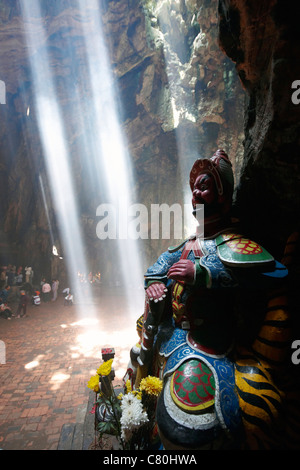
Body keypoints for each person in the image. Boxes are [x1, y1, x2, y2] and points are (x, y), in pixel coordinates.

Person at [131, 149, 291, 450]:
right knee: (138, 350)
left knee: (185, 423)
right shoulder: (186, 245)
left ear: (221, 195)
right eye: (193, 188)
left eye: (203, 185)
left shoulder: (231, 243)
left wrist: (204, 273)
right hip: (173, 335)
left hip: (210, 342)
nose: (196, 192)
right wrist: (153, 286)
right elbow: (155, 271)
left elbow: (276, 274)